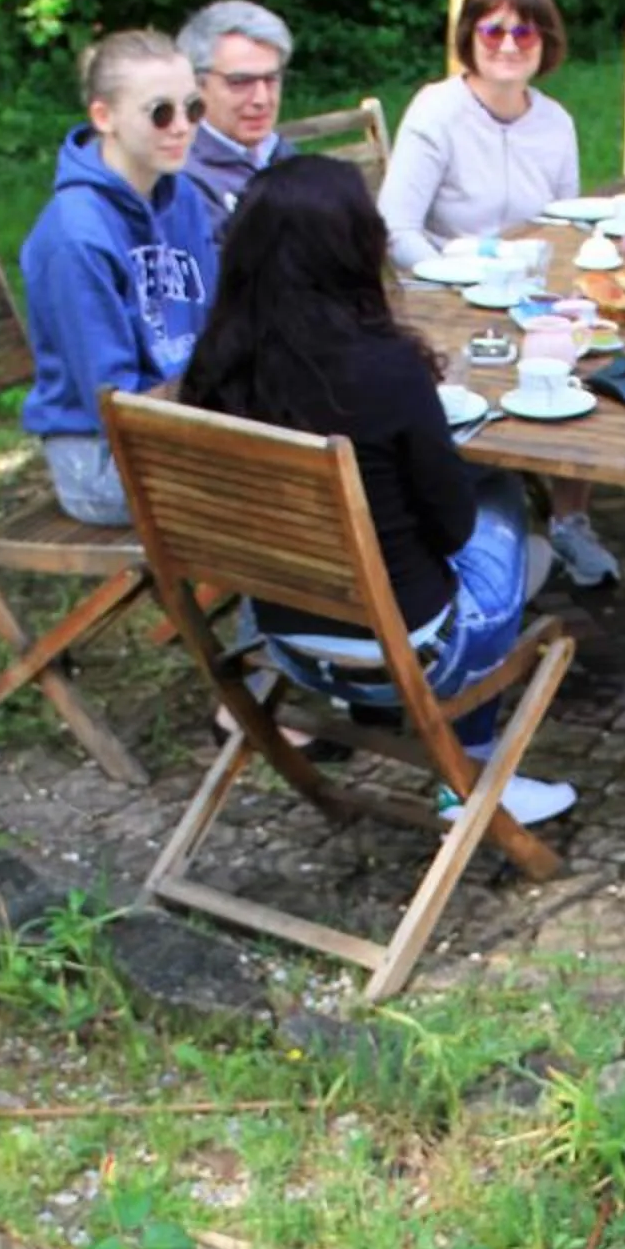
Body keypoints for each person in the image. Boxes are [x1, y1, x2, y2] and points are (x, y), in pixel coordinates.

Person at [181, 155, 574, 829]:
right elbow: (451, 531)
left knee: (444, 508)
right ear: (354, 249)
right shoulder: (386, 370)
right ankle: (470, 777)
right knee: (499, 492)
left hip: (285, 644)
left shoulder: (213, 370)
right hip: (410, 653)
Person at [378, 0, 616, 593]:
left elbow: (566, 228)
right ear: (468, 37)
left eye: (526, 32)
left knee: (582, 347)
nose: (509, 45)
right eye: (493, 30)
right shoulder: (438, 112)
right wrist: (460, 267)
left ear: (548, 43)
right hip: (447, 298)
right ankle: (471, 511)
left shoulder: (556, 122)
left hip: (533, 296)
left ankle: (570, 518)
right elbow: (394, 227)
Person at [19, 29, 214, 525]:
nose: (182, 128)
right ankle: (263, 605)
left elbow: (216, 322)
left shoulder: (182, 196)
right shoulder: (77, 237)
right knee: (296, 487)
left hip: (183, 422)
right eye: (160, 112)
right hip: (101, 459)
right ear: (103, 116)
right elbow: (117, 406)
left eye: (192, 108)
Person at [175, 0, 295, 236]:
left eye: (271, 79)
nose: (261, 99)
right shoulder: (181, 179)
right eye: (240, 82)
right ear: (196, 85)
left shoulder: (280, 153)